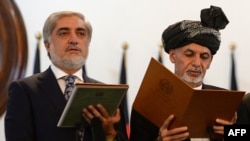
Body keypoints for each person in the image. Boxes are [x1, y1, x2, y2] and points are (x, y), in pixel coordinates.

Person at [4, 11, 127, 141]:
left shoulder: (107, 93)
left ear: (88, 44)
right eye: (63, 33)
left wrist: (110, 134)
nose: (74, 40)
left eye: (81, 33)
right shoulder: (24, 90)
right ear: (47, 45)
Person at [130, 5, 235, 141]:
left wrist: (231, 133)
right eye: (189, 54)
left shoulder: (226, 101)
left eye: (204, 57)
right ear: (173, 56)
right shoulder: (147, 105)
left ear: (210, 61)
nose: (197, 63)